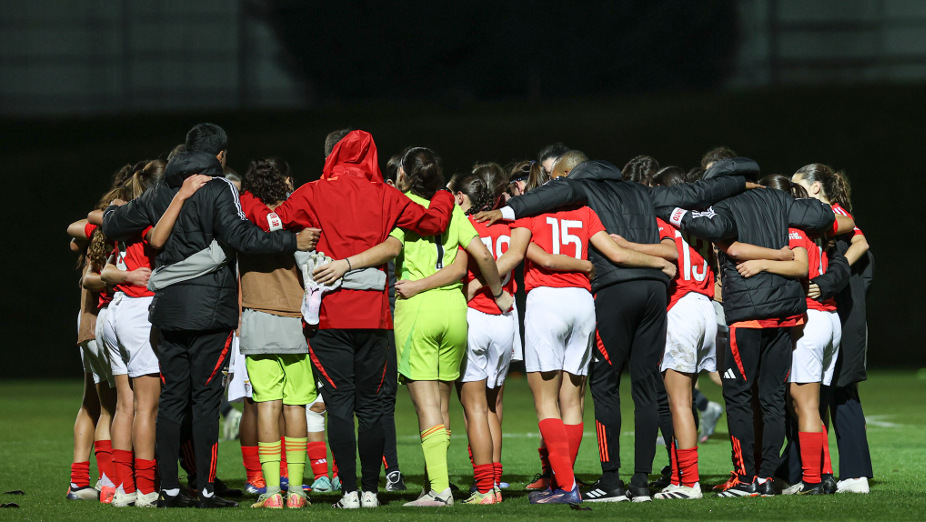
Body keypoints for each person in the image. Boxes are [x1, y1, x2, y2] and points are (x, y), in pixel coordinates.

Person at [477, 156, 749, 502]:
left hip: (605, 293)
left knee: (603, 387)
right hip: (653, 292)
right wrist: (742, 183)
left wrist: (505, 211)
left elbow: (544, 214)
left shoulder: (581, 192)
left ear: (568, 176)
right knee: (647, 388)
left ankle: (608, 481)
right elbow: (698, 191)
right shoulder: (640, 192)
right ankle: (640, 483)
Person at [101, 123, 318, 508]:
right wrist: (291, 240)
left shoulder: (162, 190)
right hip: (211, 311)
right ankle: (204, 488)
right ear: (220, 155)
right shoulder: (220, 189)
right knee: (204, 402)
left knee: (171, 401)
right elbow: (241, 237)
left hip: (167, 310)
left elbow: (114, 223)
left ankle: (167, 489)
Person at [241, 130, 457, 509]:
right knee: (372, 408)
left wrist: (246, 198)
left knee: (338, 404)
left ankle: (350, 493)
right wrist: (443, 193)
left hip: (330, 316)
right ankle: (372, 491)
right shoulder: (387, 195)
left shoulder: (311, 192)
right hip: (374, 316)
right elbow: (434, 223)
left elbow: (272, 222)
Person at [661, 160, 848, 498]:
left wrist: (678, 211)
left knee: (739, 398)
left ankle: (746, 479)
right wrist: (779, 251)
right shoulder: (782, 201)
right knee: (773, 400)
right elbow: (824, 218)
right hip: (785, 314)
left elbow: (714, 231)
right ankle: (765, 478)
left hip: (747, 314)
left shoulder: (725, 203)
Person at [383, 148, 512, 508]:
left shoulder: (399, 205)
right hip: (455, 310)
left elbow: (390, 246)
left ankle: (439, 491)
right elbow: (483, 256)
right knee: (440, 404)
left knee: (425, 406)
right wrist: (499, 293)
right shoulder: (451, 209)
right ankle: (433, 484)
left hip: (417, 308)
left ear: (405, 175)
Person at [792, 163, 874, 494]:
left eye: (797, 185)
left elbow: (860, 241)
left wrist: (829, 279)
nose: (792, 193)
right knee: (815, 395)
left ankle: (853, 474)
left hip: (842, 312)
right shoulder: (817, 219)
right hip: (833, 312)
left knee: (839, 390)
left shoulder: (832, 215)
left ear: (814, 188)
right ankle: (796, 470)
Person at [99, 160, 164, 507]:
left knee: (126, 405)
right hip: (139, 311)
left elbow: (95, 230)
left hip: (116, 310)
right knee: (146, 408)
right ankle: (146, 489)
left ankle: (124, 488)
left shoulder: (122, 213)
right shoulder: (149, 219)